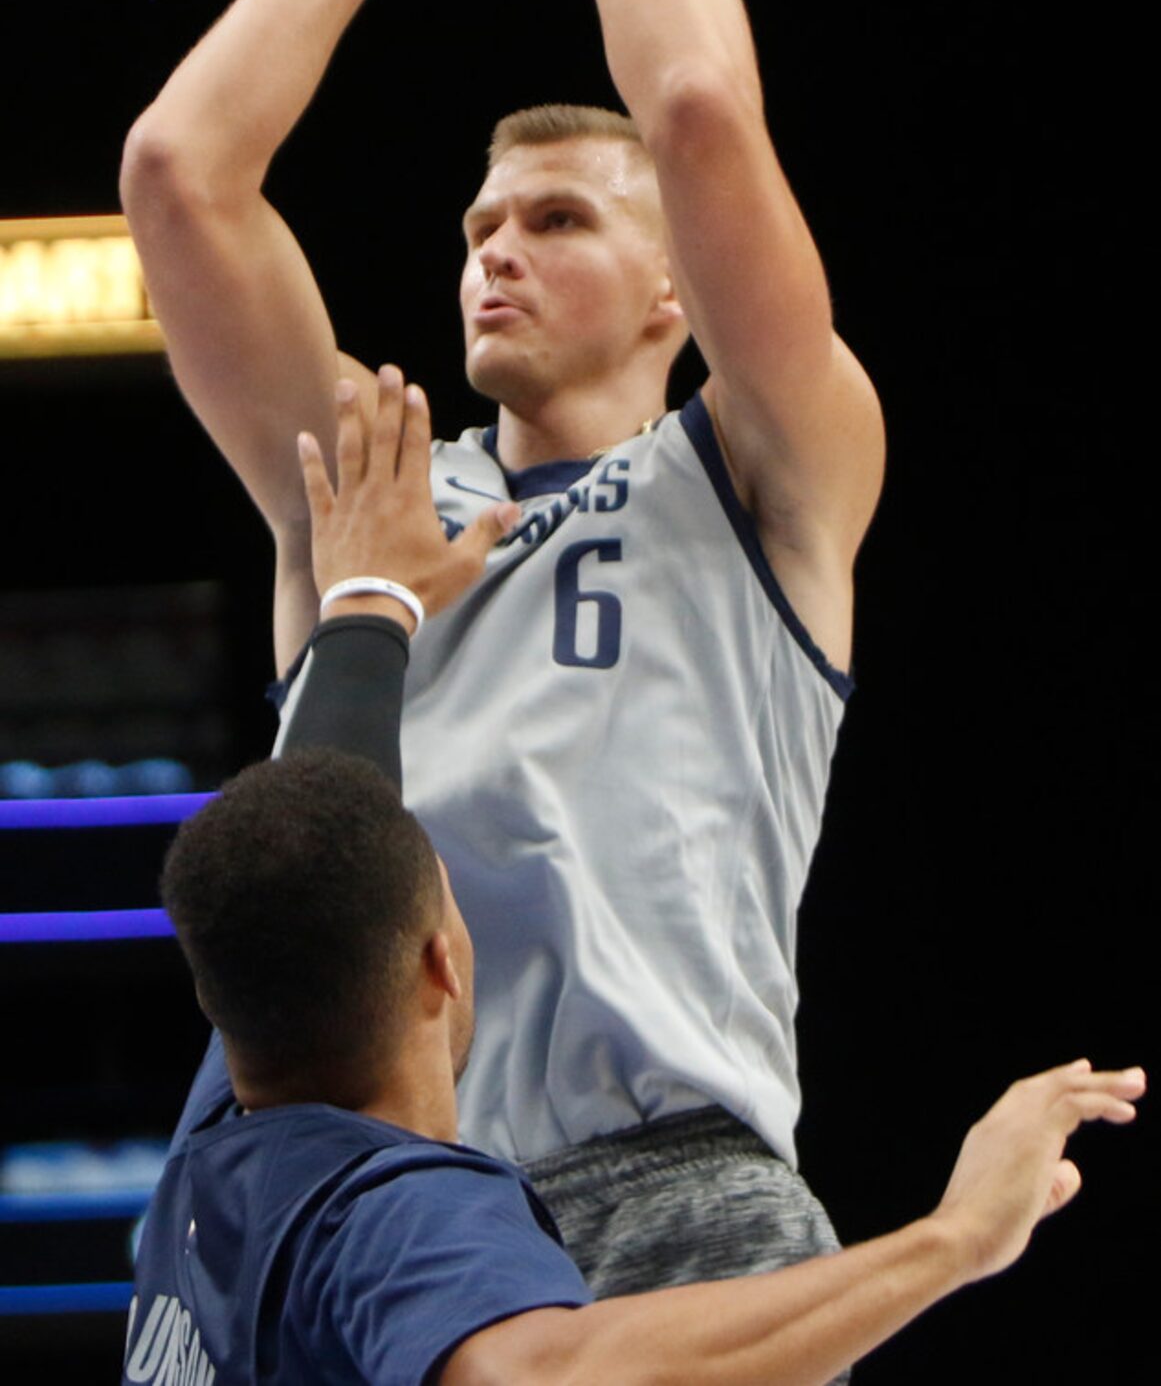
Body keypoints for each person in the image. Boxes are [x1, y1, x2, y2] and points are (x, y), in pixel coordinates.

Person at [120, 0, 887, 1297]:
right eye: (479, 224)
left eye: (557, 220)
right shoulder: (375, 479)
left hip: (679, 1184)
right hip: (382, 1195)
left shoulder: (765, 468)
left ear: (674, 288)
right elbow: (179, 173)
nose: (497, 251)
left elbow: (693, 103)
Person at [124, 372, 1144, 1386]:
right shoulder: (390, 1207)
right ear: (443, 962)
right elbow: (545, 1376)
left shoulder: (208, 1170)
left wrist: (367, 602)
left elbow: (311, 829)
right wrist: (956, 1237)